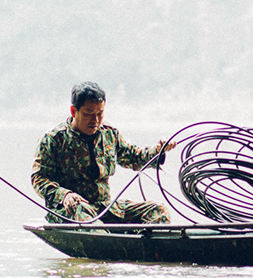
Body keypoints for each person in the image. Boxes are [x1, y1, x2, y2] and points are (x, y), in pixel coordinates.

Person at [31, 81, 172, 223]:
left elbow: (134, 157)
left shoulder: (109, 134)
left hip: (105, 207)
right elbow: (39, 179)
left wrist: (158, 151)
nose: (95, 120)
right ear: (74, 111)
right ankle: (109, 239)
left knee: (159, 210)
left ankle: (149, 243)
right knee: (84, 216)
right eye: (88, 114)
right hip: (72, 211)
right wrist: (65, 195)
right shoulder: (53, 139)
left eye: (100, 114)